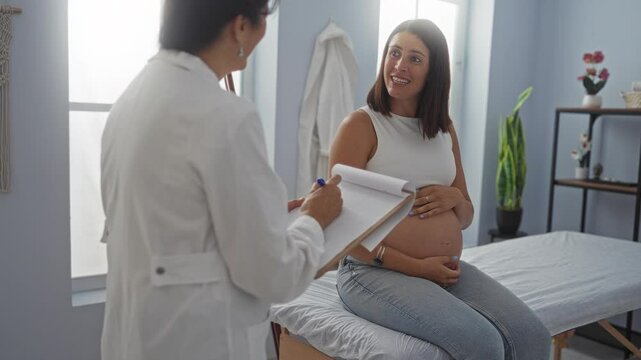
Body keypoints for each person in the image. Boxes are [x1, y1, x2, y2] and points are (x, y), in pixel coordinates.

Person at [100, 1, 343, 359]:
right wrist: (314, 221)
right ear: (239, 27)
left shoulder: (130, 100)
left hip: (136, 336)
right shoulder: (225, 115)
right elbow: (274, 274)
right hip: (196, 341)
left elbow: (174, 218)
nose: (264, 32)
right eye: (264, 19)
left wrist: (263, 216)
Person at [329, 19, 550, 360]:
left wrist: (457, 198)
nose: (400, 65)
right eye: (394, 53)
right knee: (482, 343)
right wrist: (417, 268)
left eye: (415, 59)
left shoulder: (443, 129)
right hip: (371, 270)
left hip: (443, 268)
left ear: (434, 72)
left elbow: (465, 216)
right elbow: (339, 227)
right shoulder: (361, 125)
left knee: (533, 337)